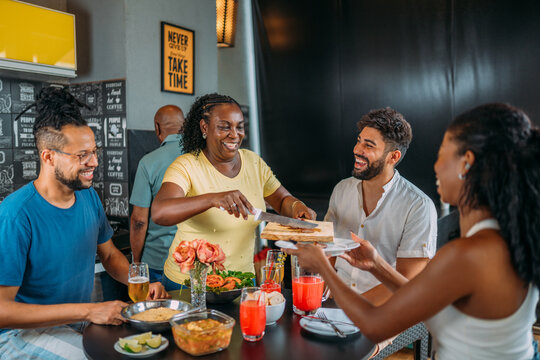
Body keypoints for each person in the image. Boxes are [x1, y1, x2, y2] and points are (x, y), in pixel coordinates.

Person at [286, 103, 540, 359]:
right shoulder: (504, 239)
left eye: (442, 153)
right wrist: (375, 264)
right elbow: (428, 305)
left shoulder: (467, 254)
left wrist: (323, 268)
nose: (436, 166)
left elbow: (375, 324)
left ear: (466, 163)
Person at [0, 87, 168, 360]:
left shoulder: (88, 197)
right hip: (18, 334)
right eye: (82, 155)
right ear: (48, 156)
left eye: (94, 151)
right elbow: (2, 312)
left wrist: (140, 282)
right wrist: (90, 310)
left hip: (74, 322)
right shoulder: (16, 216)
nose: (95, 162)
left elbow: (111, 255)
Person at [152, 93, 317, 290]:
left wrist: (297, 207)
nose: (234, 134)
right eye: (224, 127)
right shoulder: (186, 166)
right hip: (190, 284)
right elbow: (160, 212)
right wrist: (213, 199)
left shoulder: (253, 162)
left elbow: (282, 200)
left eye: (239, 127)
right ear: (205, 128)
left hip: (241, 282)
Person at [326, 107, 437, 305]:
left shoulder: (419, 207)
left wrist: (351, 312)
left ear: (393, 157)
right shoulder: (342, 190)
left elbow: (408, 282)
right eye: (358, 141)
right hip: (334, 304)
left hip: (383, 313)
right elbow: (328, 251)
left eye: (368, 145)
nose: (357, 150)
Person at [130, 105, 185, 283]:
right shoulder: (202, 157)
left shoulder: (148, 162)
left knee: (158, 311)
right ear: (184, 127)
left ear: (157, 127)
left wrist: (136, 262)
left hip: (157, 262)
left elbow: (139, 221)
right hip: (194, 261)